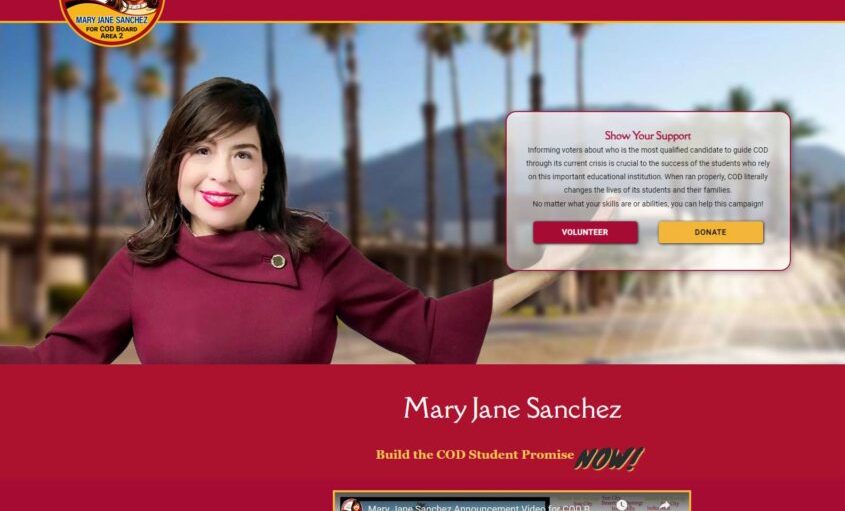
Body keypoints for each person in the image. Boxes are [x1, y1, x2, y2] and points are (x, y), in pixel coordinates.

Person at [0, 77, 606, 364]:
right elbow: (56, 368)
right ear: (174, 163)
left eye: (242, 154)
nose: (221, 176)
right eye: (201, 151)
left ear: (266, 173)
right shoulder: (141, 261)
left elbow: (423, 325)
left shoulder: (315, 249)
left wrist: (547, 270)